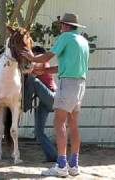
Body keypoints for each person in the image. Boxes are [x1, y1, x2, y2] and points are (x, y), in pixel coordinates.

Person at [22, 13, 89, 177]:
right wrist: (45, 70)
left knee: (59, 123)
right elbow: (63, 66)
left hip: (67, 84)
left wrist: (32, 57)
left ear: (65, 26)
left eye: (61, 25)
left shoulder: (65, 37)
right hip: (80, 84)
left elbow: (48, 55)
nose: (60, 28)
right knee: (73, 124)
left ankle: (61, 164)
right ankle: (74, 165)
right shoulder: (83, 41)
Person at [24, 46, 58, 162]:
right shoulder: (43, 62)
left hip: (51, 97)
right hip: (46, 101)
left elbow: (31, 68)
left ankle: (25, 105)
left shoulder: (41, 61)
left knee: (33, 80)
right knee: (38, 132)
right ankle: (52, 156)